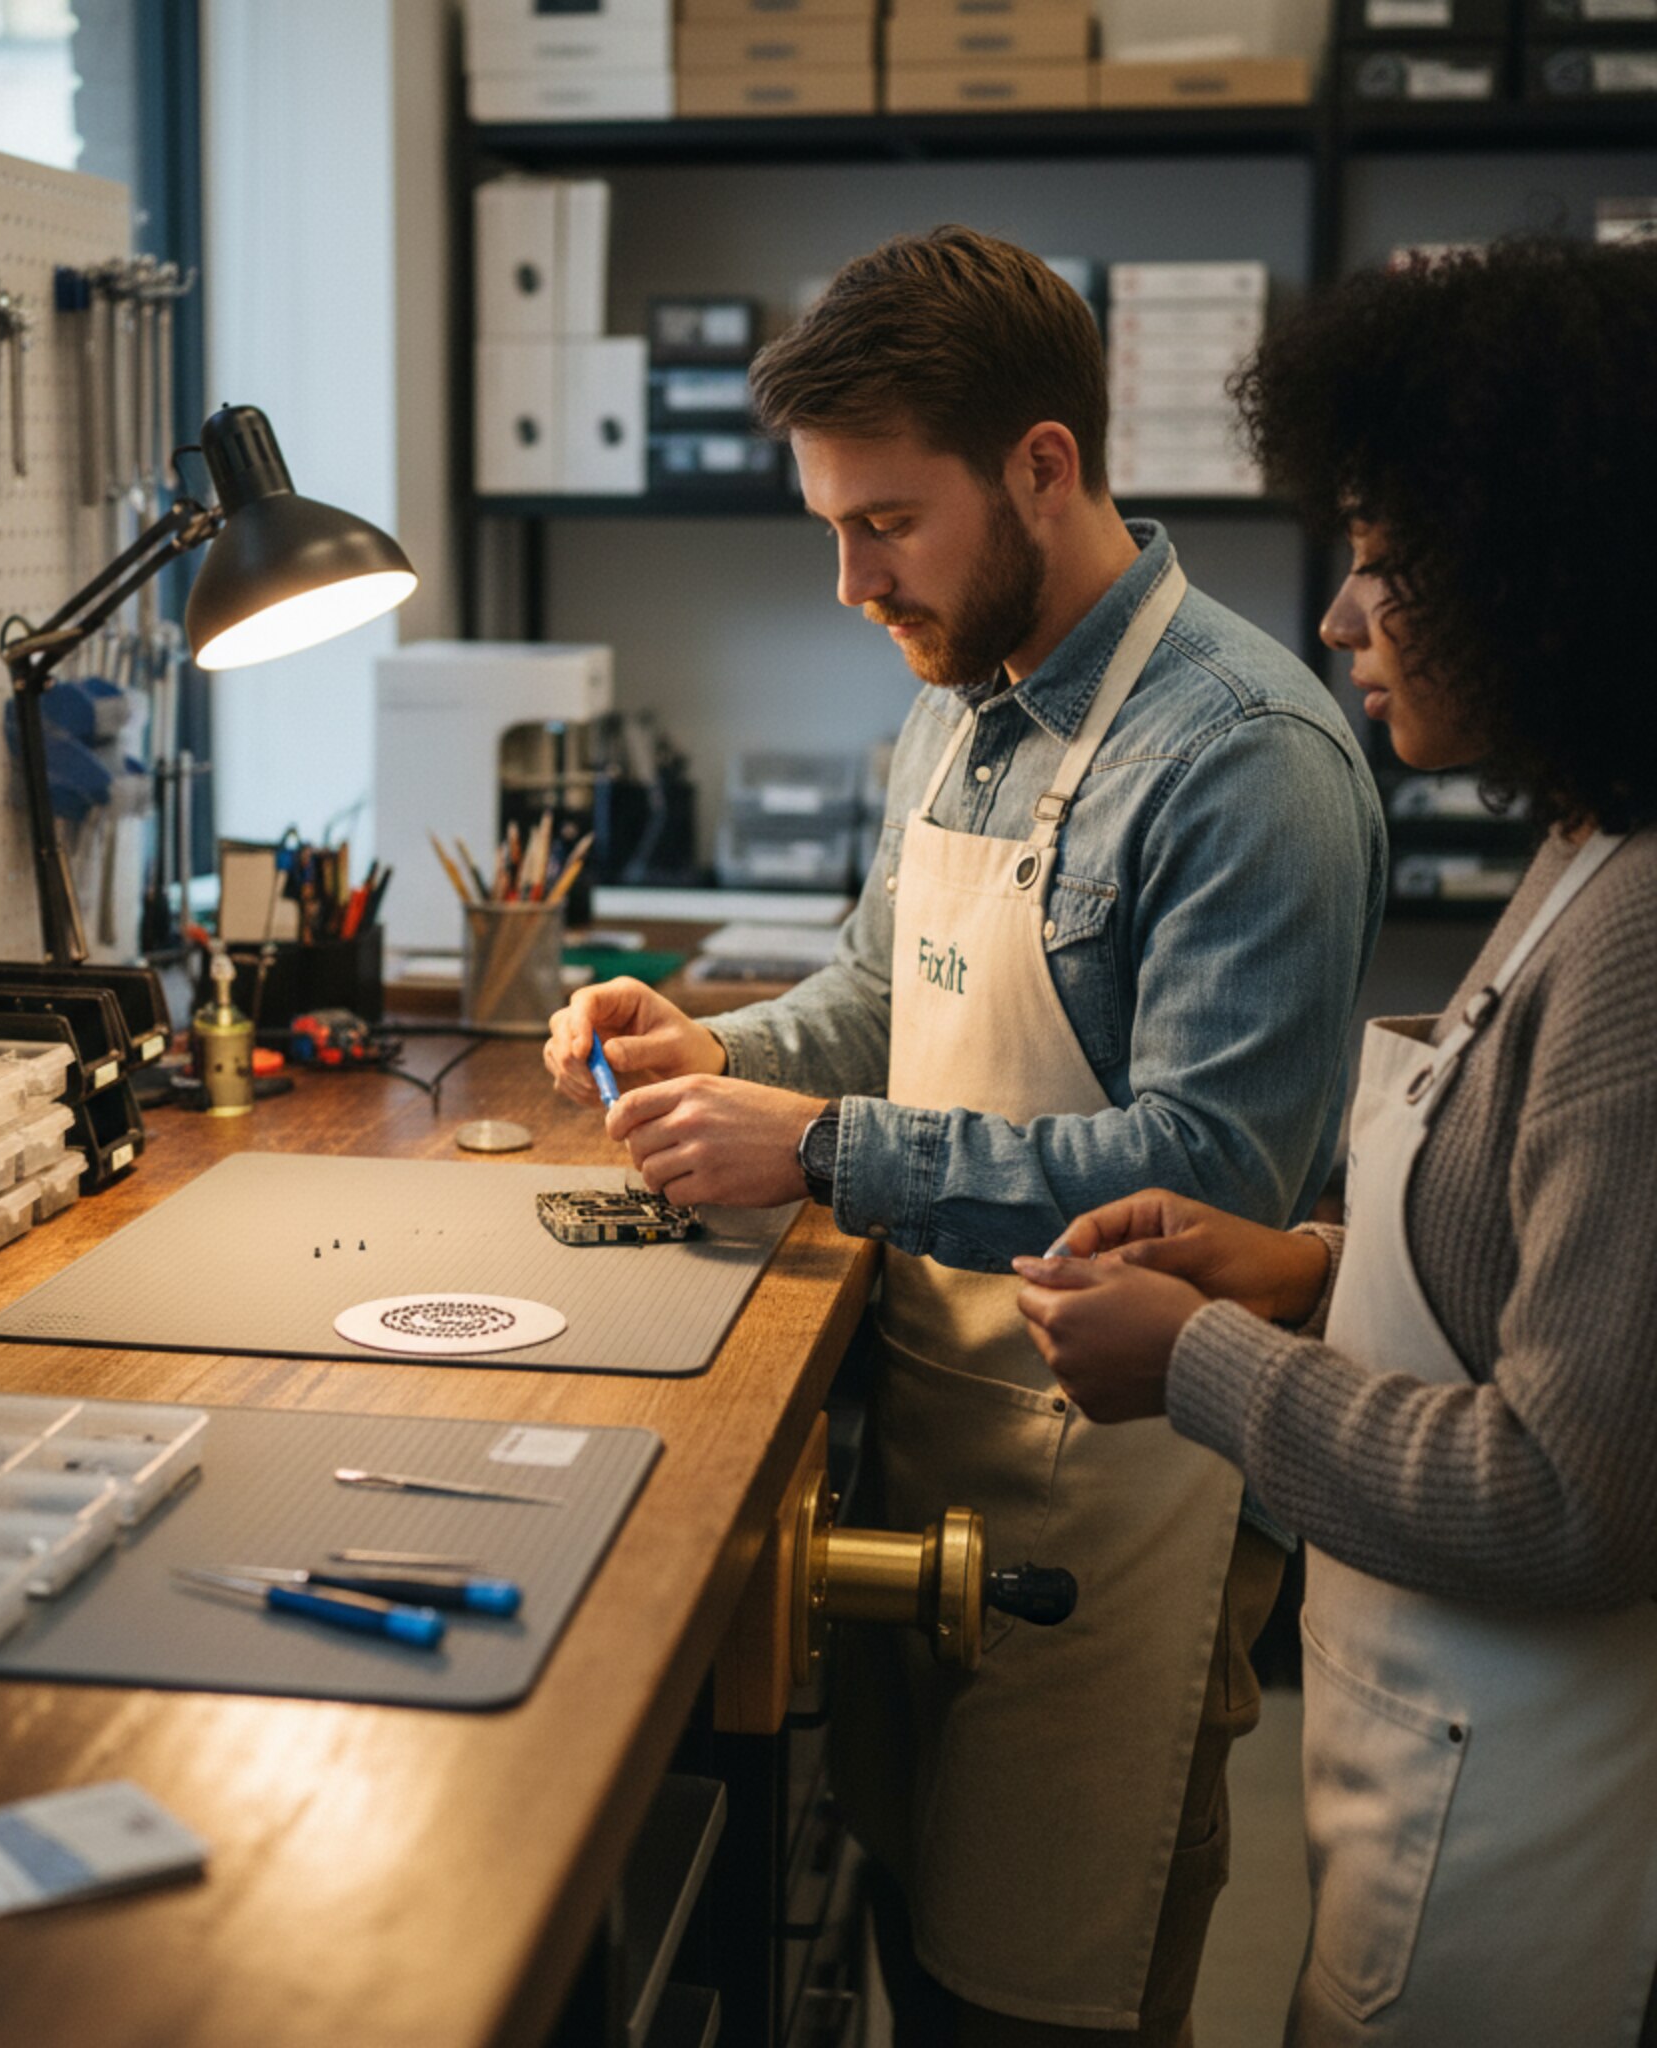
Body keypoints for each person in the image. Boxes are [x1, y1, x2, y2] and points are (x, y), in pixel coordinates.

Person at [543, 226, 1386, 2044]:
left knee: (1036, 1999)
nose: (852, 583)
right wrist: (712, 1047)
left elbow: (1207, 1192)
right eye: (830, 526)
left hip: (1118, 1480)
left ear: (1045, 466)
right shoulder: (957, 694)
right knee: (913, 1953)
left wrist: (828, 1147)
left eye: (887, 524)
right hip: (936, 1422)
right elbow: (875, 993)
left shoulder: (1247, 756)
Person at [1013, 236, 1657, 2047]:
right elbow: (1549, 1277)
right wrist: (1300, 1275)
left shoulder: (1642, 942)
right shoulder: (1584, 846)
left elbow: (1570, 1494)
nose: (1339, 616)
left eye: (1389, 557)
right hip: (1432, 1772)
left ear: (1557, 565)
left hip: (1541, 1851)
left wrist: (1208, 1364)